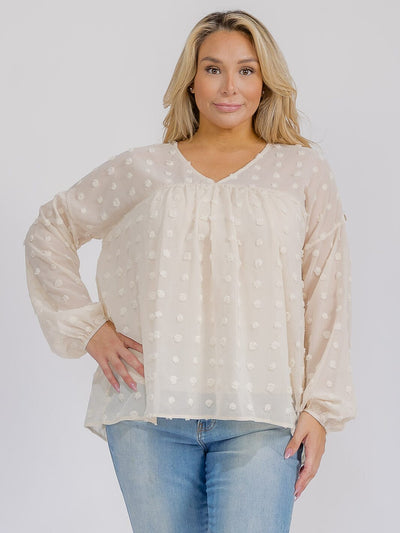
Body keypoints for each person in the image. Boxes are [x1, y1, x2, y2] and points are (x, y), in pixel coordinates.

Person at [24, 9, 357, 533]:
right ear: (192, 81)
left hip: (262, 412)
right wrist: (89, 328)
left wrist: (320, 407)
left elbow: (326, 291)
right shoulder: (144, 169)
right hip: (148, 413)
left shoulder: (301, 172)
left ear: (265, 83)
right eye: (213, 69)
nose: (229, 86)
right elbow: (51, 229)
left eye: (246, 70)